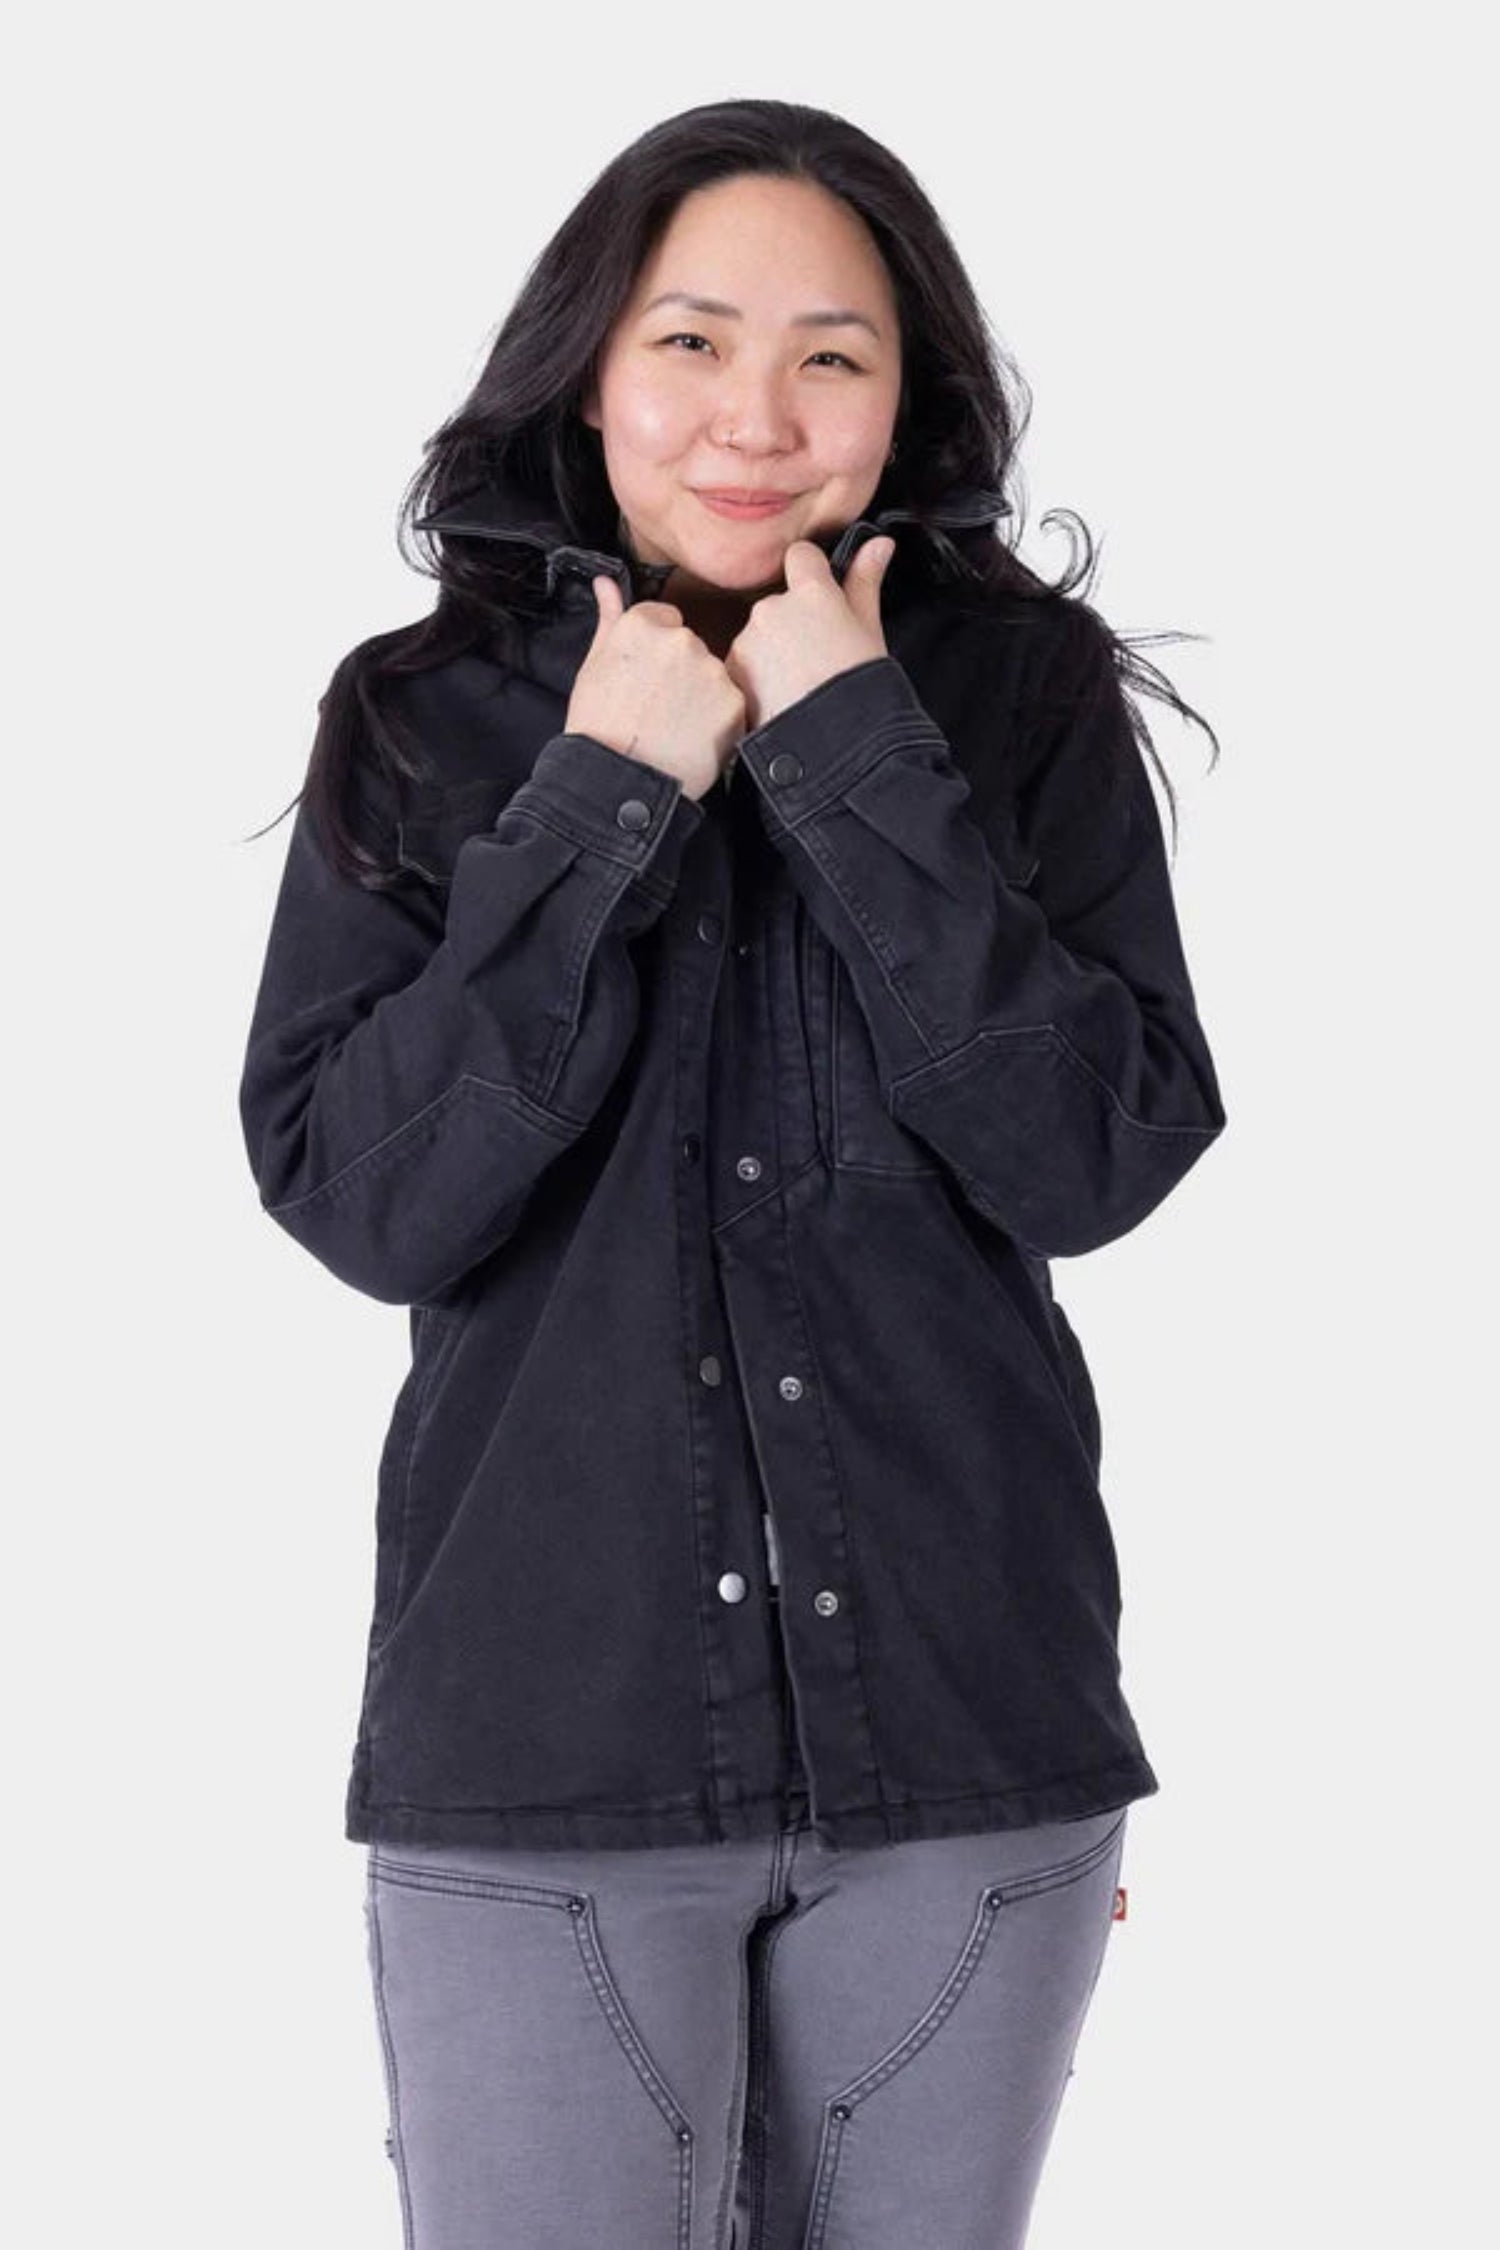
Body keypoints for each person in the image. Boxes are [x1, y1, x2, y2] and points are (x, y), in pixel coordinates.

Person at [238, 96, 1228, 2250]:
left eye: (829, 356)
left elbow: (1095, 1154)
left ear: (909, 394)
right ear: (590, 367)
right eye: (692, 341)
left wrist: (860, 753)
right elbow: (364, 1194)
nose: (755, 418)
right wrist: (603, 790)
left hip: (967, 1751)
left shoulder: (1018, 703)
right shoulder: (426, 717)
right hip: (545, 1754)